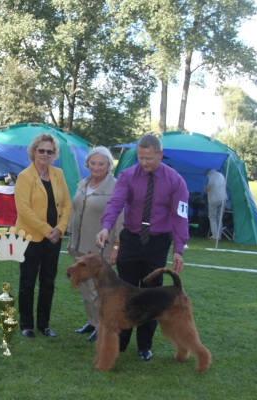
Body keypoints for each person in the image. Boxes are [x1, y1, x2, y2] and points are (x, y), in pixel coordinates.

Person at [96, 134, 189, 362]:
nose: (144, 162)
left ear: (160, 154)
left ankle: (145, 346)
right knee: (122, 293)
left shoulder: (175, 181)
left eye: (149, 158)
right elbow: (115, 203)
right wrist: (106, 228)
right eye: (140, 157)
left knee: (152, 295)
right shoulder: (127, 176)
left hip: (157, 243)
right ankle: (121, 342)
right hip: (131, 240)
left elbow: (180, 216)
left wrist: (178, 249)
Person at [14, 133, 72, 338]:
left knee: (48, 282)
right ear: (34, 151)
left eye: (49, 151)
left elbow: (67, 204)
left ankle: (44, 324)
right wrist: (49, 231)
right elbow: (24, 211)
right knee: (28, 282)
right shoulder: (24, 177)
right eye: (41, 150)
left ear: (53, 153)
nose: (45, 154)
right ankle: (26, 325)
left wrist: (60, 229)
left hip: (54, 239)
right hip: (30, 238)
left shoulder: (58, 174)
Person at [67, 146, 122, 342]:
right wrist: (71, 238)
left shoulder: (116, 186)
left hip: (100, 248)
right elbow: (75, 212)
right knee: (83, 287)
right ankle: (92, 322)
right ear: (87, 164)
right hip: (79, 244)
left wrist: (116, 245)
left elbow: (120, 217)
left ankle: (103, 326)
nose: (96, 167)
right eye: (93, 163)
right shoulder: (83, 183)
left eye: (101, 164)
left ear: (108, 165)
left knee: (98, 290)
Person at [204, 169, 227, 241]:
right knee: (219, 218)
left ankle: (215, 237)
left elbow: (205, 190)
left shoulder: (207, 177)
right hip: (223, 198)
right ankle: (219, 236)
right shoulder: (221, 174)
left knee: (212, 218)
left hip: (213, 199)